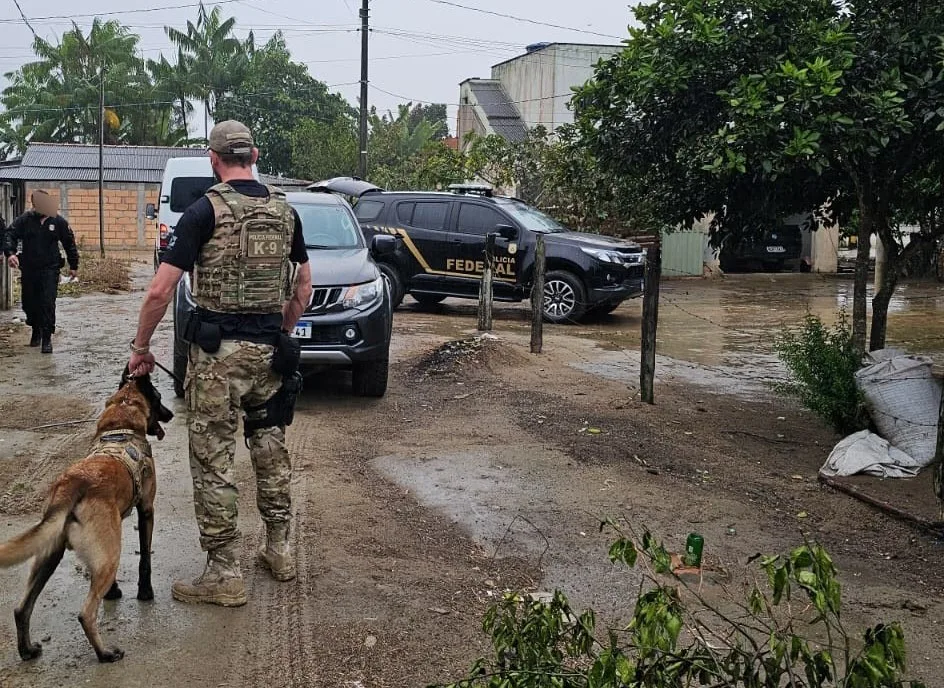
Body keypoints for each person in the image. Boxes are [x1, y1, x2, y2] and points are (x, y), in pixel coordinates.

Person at [126, 120, 313, 607]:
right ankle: (280, 549)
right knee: (270, 449)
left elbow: (161, 289)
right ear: (253, 155)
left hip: (216, 360)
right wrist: (282, 333)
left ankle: (225, 572)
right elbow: (303, 288)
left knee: (213, 461)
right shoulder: (285, 211)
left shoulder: (203, 211)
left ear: (214, 159)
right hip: (270, 355)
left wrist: (140, 348)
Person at [2, 191, 79, 353]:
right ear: (35, 205)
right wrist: (10, 253)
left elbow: (69, 242)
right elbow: (10, 234)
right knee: (29, 303)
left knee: (47, 303)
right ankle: (35, 328)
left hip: (50, 269)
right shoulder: (25, 220)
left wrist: (73, 265)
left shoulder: (58, 221)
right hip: (29, 268)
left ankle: (47, 338)